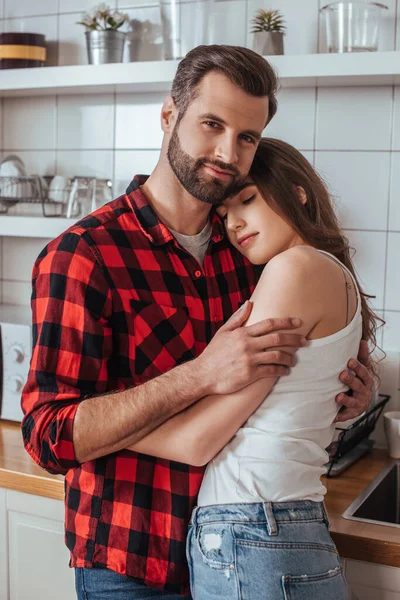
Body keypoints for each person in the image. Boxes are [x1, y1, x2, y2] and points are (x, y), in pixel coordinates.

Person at [21, 45, 374, 600]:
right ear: (168, 116)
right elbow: (48, 436)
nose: (228, 150)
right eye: (212, 123)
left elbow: (285, 390)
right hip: (133, 565)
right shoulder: (85, 255)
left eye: (247, 137)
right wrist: (200, 375)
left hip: (240, 548)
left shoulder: (252, 248)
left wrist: (343, 390)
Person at [127, 138, 381, 598]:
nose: (234, 223)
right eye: (224, 215)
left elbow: (198, 441)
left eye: (246, 199)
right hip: (283, 526)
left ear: (297, 191)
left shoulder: (294, 269)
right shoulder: (331, 272)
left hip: (255, 528)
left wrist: (92, 427)